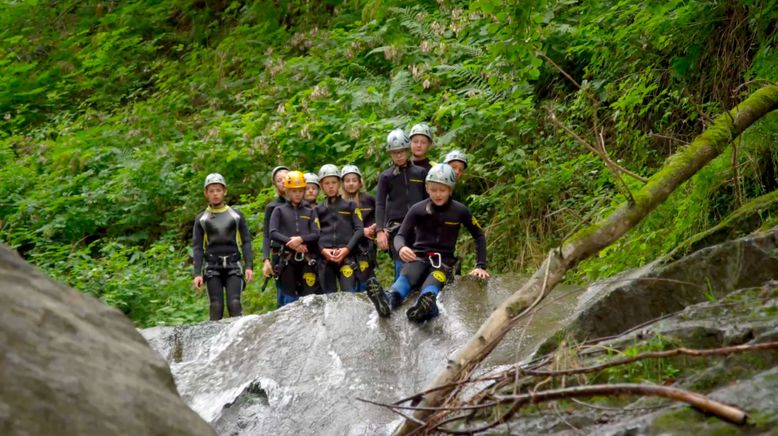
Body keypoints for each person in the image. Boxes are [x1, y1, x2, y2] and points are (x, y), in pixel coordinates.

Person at [366, 164, 489, 322]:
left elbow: (479, 234)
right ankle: (388, 299)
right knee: (407, 276)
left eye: (442, 190)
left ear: (450, 190)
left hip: (443, 262)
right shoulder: (418, 209)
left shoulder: (460, 211)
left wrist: (480, 265)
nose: (438, 194)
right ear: (427, 188)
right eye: (433, 190)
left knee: (434, 280)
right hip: (419, 257)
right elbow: (400, 235)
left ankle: (426, 305)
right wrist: (402, 247)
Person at [192, 173, 254, 320]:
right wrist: (197, 273)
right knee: (216, 306)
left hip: (233, 265)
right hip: (212, 267)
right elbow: (197, 247)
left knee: (234, 304)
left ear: (225, 191)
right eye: (211, 191)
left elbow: (246, 241)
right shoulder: (202, 219)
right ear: (206, 193)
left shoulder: (236, 216)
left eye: (218, 190)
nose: (215, 194)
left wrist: (249, 266)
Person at [375, 128, 428, 280]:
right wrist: (380, 230)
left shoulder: (420, 173)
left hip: (419, 227)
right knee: (401, 268)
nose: (398, 156)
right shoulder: (386, 176)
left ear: (407, 151)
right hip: (397, 228)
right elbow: (380, 204)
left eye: (401, 152)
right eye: (394, 152)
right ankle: (398, 299)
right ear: (390, 154)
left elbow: (427, 201)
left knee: (421, 264)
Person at [269, 171, 321, 306]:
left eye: (300, 191)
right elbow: (273, 232)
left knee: (310, 299)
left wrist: (301, 239)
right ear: (287, 191)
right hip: (287, 260)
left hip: (307, 259)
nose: (297, 194)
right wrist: (291, 242)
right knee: (289, 300)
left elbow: (316, 233)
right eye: (293, 191)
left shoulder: (310, 211)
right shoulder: (279, 210)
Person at [316, 164, 364, 293]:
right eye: (326, 183)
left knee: (348, 296)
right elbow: (313, 234)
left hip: (346, 257)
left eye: (334, 182)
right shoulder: (317, 210)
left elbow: (359, 230)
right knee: (329, 298)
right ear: (321, 186)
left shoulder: (350, 206)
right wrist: (323, 250)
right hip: (326, 259)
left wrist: (347, 249)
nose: (331, 186)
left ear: (340, 184)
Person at [341, 164, 377, 292]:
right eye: (347, 180)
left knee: (367, 286)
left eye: (354, 180)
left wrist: (375, 227)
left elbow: (381, 215)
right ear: (343, 183)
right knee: (349, 288)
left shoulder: (369, 199)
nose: (351, 184)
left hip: (366, 249)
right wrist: (362, 231)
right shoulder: (339, 203)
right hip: (346, 250)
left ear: (360, 182)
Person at [262, 165, 290, 308]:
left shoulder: (302, 204)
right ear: (275, 184)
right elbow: (267, 235)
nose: (283, 182)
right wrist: (266, 259)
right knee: (283, 295)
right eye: (279, 180)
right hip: (280, 255)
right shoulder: (272, 207)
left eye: (286, 178)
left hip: (302, 255)